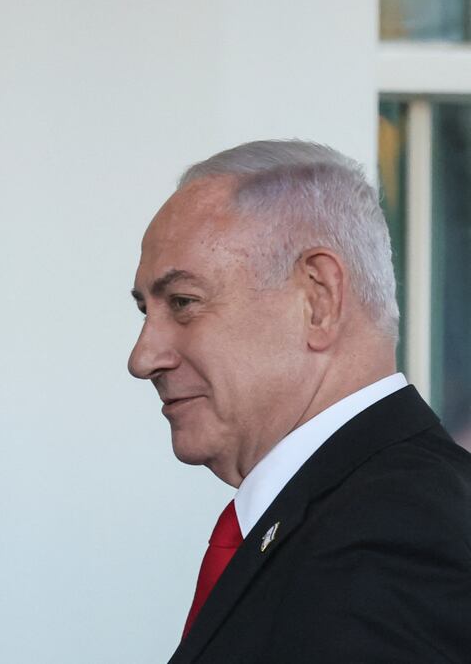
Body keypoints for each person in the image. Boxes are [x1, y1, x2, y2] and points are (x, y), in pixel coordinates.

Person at [128, 140, 471, 662]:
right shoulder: (369, 505)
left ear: (318, 299)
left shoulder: (393, 535)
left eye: (183, 303)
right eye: (145, 311)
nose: (143, 357)